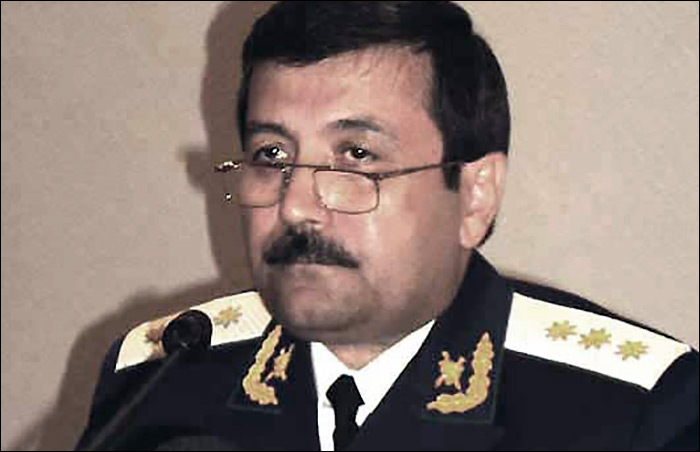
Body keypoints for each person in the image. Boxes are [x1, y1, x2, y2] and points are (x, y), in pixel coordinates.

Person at [77, 2, 699, 450]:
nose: (296, 206)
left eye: (357, 155)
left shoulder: (636, 411)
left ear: (475, 196)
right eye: (272, 155)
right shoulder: (159, 379)